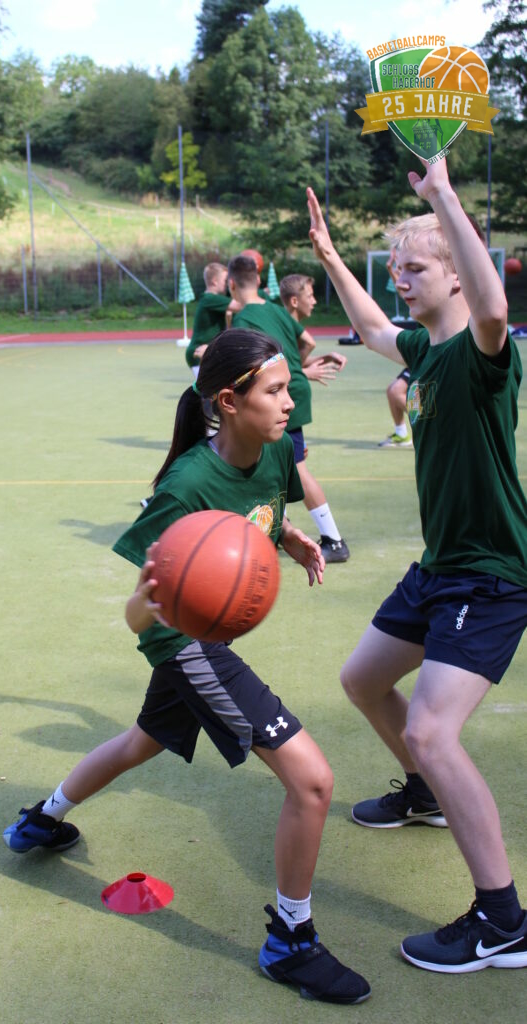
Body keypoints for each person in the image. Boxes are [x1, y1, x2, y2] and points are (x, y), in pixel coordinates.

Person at [3, 328, 371, 1006]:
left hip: (201, 640)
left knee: (141, 742)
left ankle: (41, 819)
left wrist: (288, 536)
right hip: (181, 643)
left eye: (288, 388)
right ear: (228, 402)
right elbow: (138, 614)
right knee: (312, 782)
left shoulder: (275, 449)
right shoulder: (185, 487)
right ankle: (290, 941)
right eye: (275, 391)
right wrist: (149, 609)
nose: (290, 402)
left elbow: (259, 515)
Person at [307, 157, 527, 974]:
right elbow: (371, 331)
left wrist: (441, 198)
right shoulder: (424, 354)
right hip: (440, 569)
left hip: (490, 574)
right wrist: (331, 258)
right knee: (363, 681)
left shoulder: (480, 353)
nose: (399, 279)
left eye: (415, 268)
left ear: (456, 275)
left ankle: (503, 921)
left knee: (432, 731)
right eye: (395, 268)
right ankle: (425, 794)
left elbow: (494, 307)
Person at [230, 256, 350, 564]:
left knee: (296, 467)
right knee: (270, 463)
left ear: (231, 285)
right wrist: (298, 368)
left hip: (277, 396)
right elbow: (307, 341)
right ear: (259, 280)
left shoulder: (242, 320)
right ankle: (276, 528)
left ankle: (334, 540)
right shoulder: (276, 309)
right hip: (292, 390)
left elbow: (249, 367)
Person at [379, 253, 413, 448]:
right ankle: (401, 433)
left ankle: (433, 423)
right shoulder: (416, 297)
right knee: (393, 390)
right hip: (419, 356)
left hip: (429, 354)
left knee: (395, 391)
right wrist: (391, 268)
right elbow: (402, 288)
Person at [184, 263, 233, 377]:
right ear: (215, 281)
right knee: (210, 387)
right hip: (200, 351)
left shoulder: (217, 299)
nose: (227, 284)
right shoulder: (210, 299)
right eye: (225, 280)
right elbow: (239, 304)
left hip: (209, 351)